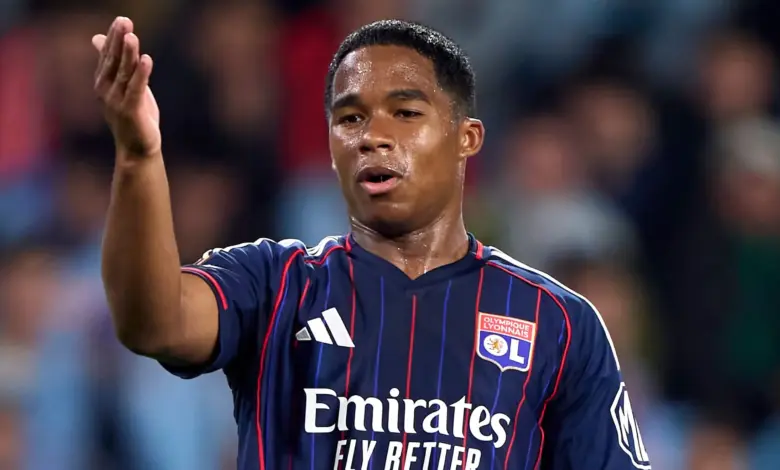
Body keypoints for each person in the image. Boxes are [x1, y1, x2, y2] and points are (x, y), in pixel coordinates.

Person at [93, 16, 652, 470]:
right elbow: (154, 324)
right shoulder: (275, 283)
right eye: (350, 118)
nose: (373, 136)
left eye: (405, 113)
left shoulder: (557, 322)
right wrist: (139, 157)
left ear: (466, 138)